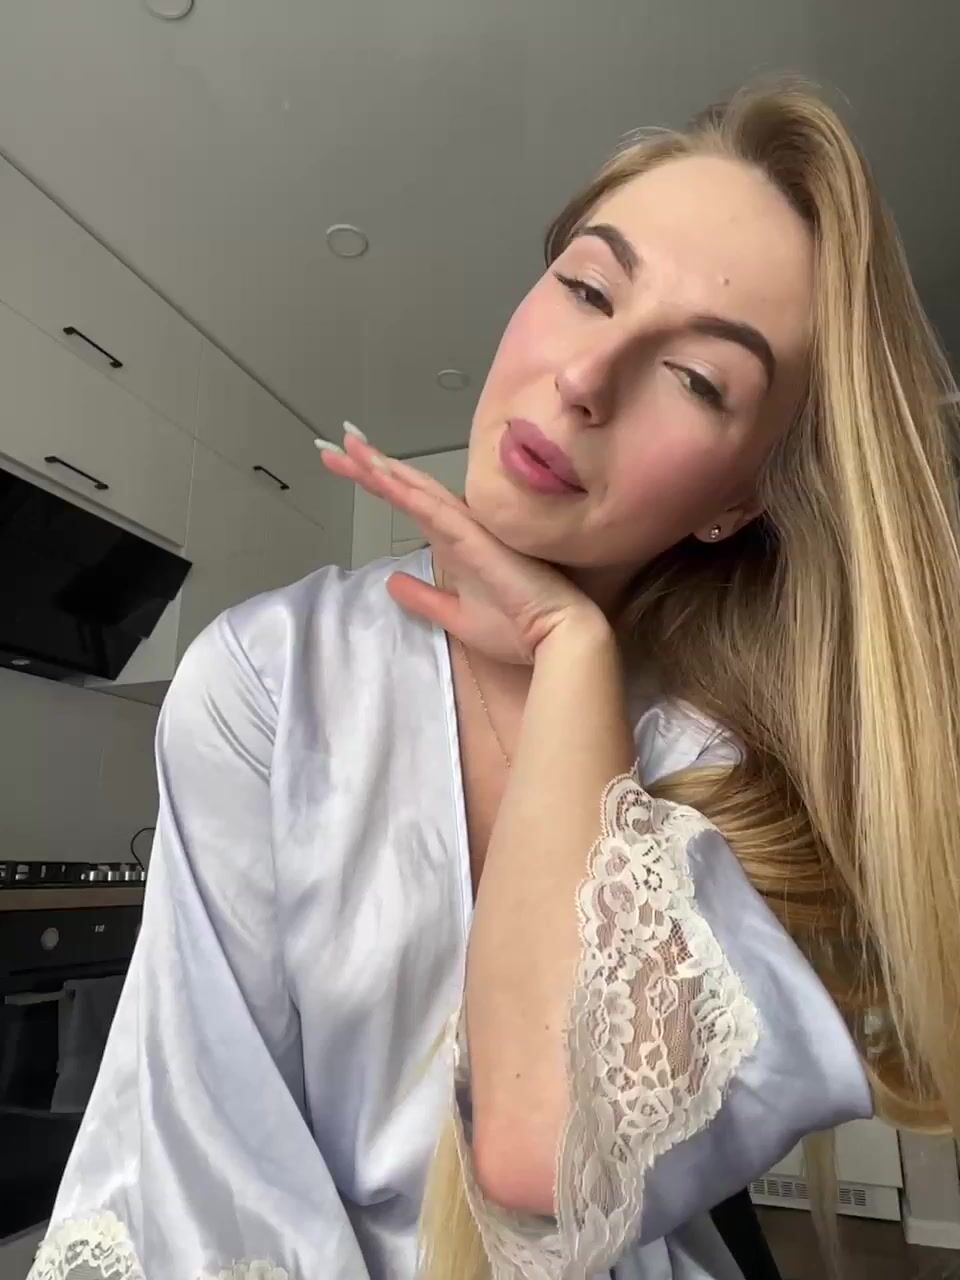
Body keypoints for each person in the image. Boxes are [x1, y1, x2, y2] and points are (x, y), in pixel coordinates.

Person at [29, 78, 960, 1280]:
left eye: (697, 378)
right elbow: (202, 1158)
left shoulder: (745, 780)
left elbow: (550, 1163)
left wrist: (573, 660)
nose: (586, 377)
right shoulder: (270, 674)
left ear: (737, 501)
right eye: (588, 288)